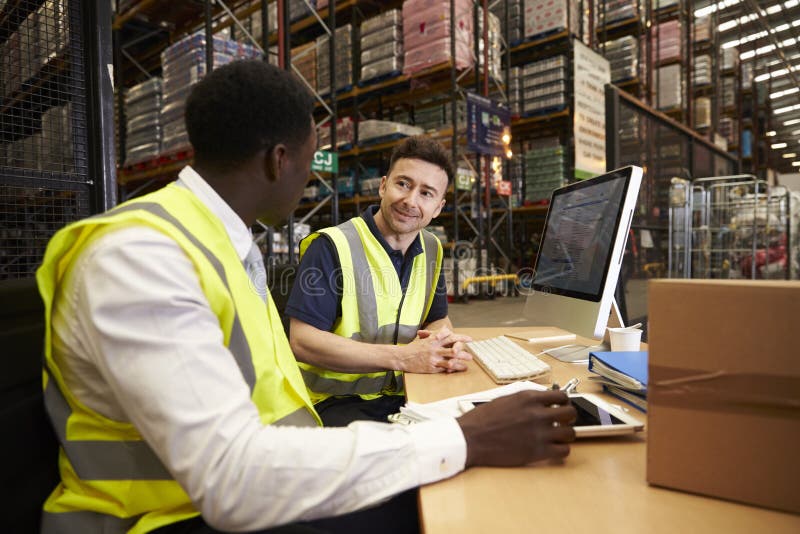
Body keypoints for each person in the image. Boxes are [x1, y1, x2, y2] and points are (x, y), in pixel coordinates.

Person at [37, 60, 576, 534]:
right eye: (310, 160)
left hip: (260, 471)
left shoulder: (220, 243)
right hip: (162, 517)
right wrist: (463, 439)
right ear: (279, 160)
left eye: (428, 193)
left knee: (452, 495)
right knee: (452, 503)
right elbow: (231, 478)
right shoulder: (141, 256)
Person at [286, 137, 473, 426]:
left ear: (438, 207)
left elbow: (437, 318)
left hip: (405, 391)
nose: (411, 200)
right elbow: (303, 341)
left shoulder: (432, 248)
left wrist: (443, 343)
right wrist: (402, 358)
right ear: (383, 186)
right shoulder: (333, 245)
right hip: (335, 402)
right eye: (404, 184)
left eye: (426, 193)